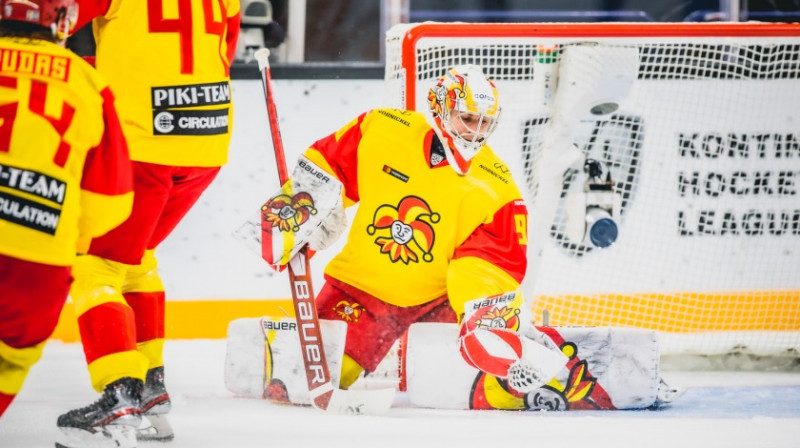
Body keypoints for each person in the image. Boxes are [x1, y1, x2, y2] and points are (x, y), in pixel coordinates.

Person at [260, 64, 539, 399]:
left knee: (459, 394)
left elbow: (493, 258)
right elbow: (329, 164)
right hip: (359, 291)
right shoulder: (383, 130)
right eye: (467, 118)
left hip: (436, 304)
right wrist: (312, 209)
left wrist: (479, 307)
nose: (475, 131)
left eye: (484, 122)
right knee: (294, 385)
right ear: (441, 108)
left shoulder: (496, 183)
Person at [55, 1, 240, 447]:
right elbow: (219, 53)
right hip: (207, 142)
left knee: (94, 264)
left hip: (142, 143)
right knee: (135, 259)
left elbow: (50, 24)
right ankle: (151, 389)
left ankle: (120, 394)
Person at [0, 0, 133, 420]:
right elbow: (109, 204)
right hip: (37, 265)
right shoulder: (88, 81)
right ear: (60, 21)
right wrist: (61, 235)